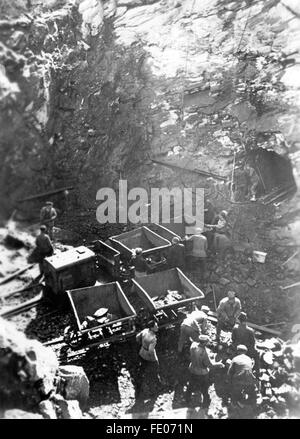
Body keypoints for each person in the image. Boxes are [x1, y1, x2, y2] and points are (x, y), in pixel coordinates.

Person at [186, 335, 224, 408]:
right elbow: (210, 365)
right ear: (205, 343)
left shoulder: (193, 345)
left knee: (190, 386)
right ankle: (206, 401)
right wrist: (219, 364)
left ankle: (187, 399)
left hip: (192, 369)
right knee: (204, 388)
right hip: (202, 373)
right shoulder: (204, 352)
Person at [135, 320, 162, 396]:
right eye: (156, 326)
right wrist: (154, 360)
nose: (157, 327)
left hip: (142, 352)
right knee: (155, 370)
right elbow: (151, 350)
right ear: (152, 328)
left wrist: (142, 344)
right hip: (149, 356)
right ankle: (156, 387)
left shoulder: (145, 330)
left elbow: (137, 337)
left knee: (142, 369)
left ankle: (138, 386)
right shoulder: (153, 338)